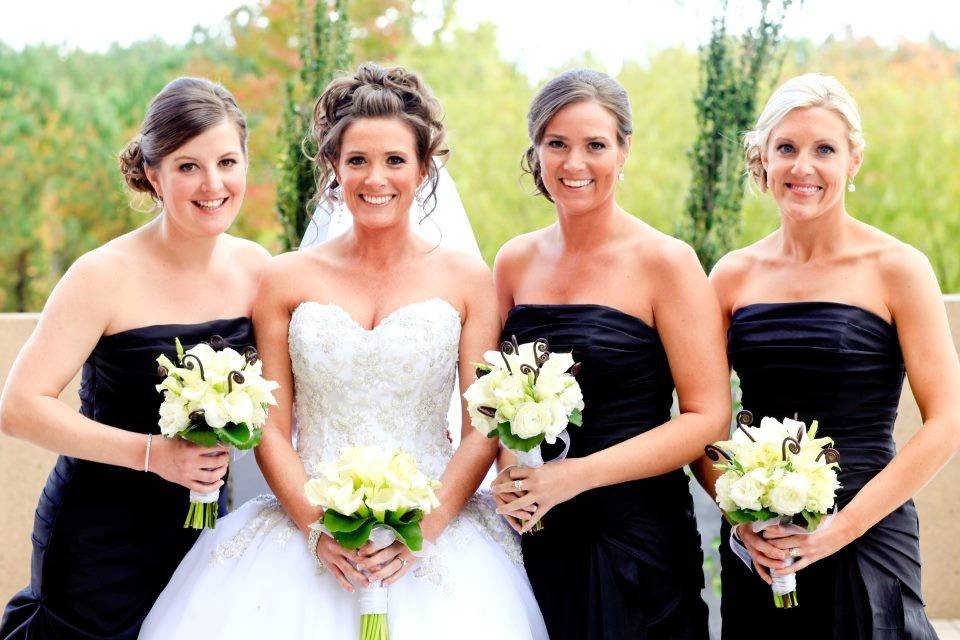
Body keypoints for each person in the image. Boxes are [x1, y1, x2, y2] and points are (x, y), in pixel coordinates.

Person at [139, 63, 547, 639]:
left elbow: (483, 427)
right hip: (306, 528)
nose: (375, 178)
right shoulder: (284, 278)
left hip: (435, 532)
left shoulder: (468, 280)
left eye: (395, 160)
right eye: (357, 161)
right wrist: (316, 530)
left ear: (425, 168)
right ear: (333, 167)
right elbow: (273, 429)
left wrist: (423, 532)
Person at [0, 77, 269, 639]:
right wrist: (154, 454)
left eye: (227, 161)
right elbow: (20, 406)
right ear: (153, 173)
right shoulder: (102, 275)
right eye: (188, 166)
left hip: (206, 533)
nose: (213, 183)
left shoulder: (257, 268)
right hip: (99, 539)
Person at [705, 72, 957, 639]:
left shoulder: (899, 268)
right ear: (762, 159)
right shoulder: (731, 275)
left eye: (824, 149)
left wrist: (836, 532)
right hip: (762, 541)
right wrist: (741, 521)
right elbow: (703, 419)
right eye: (786, 148)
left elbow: (946, 424)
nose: (803, 167)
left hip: (868, 529)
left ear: (854, 161)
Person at [492, 68, 730, 640]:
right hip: (538, 532)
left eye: (595, 145)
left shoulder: (666, 262)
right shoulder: (513, 261)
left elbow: (707, 417)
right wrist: (510, 476)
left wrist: (576, 477)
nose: (574, 164)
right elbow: (493, 400)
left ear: (623, 150)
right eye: (557, 144)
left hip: (636, 533)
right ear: (536, 152)